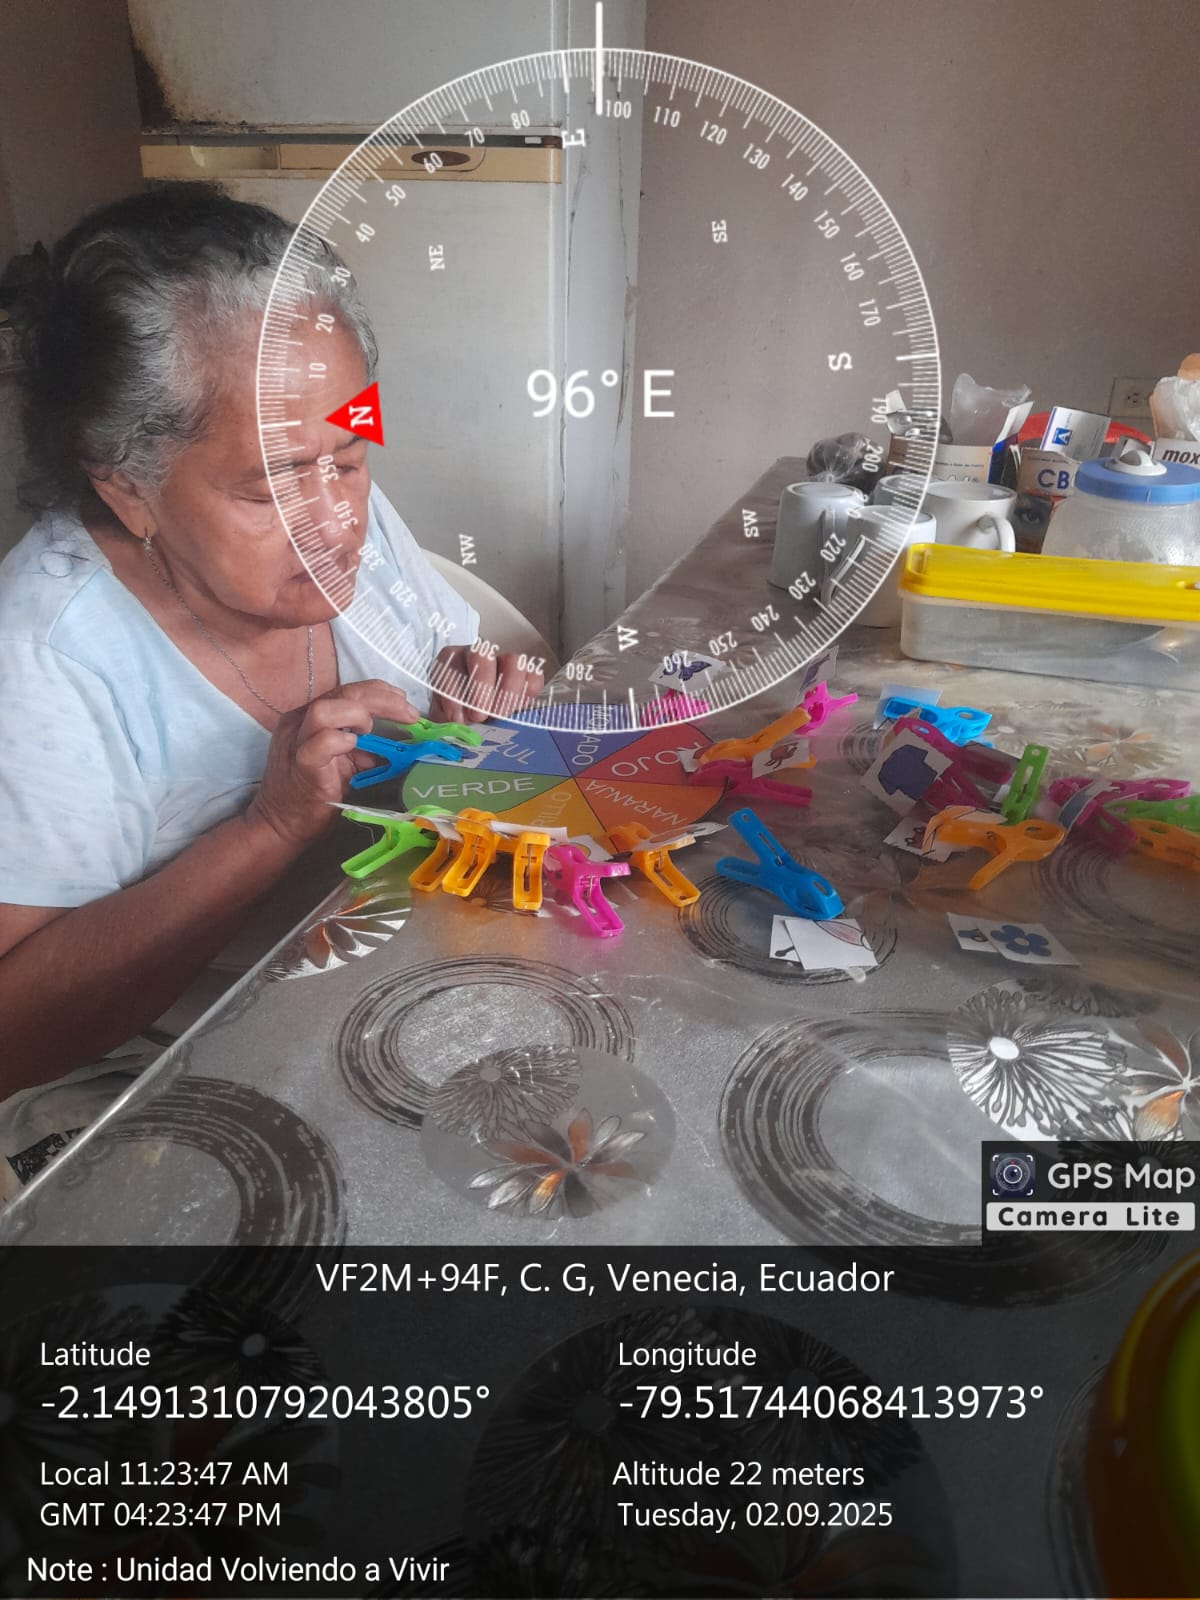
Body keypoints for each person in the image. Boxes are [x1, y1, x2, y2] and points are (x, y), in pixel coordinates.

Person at [0, 183, 542, 1195]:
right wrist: (269, 828)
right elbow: (15, 1039)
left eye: (350, 459)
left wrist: (469, 724)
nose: (335, 522)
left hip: (375, 984)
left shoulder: (341, 511)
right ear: (124, 483)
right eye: (269, 487)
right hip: (158, 1068)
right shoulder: (42, 663)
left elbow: (438, 699)